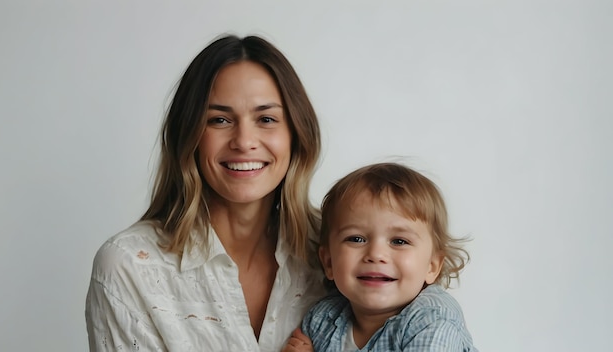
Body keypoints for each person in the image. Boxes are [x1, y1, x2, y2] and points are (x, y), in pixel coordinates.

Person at [85, 34, 326, 351]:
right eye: (219, 120)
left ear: (297, 135)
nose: (244, 141)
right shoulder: (129, 267)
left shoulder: (340, 254)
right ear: (190, 137)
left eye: (266, 119)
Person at [284, 162, 477, 352]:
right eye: (356, 239)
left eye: (399, 241)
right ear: (328, 262)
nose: (375, 255)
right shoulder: (322, 318)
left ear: (432, 266)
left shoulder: (432, 321)